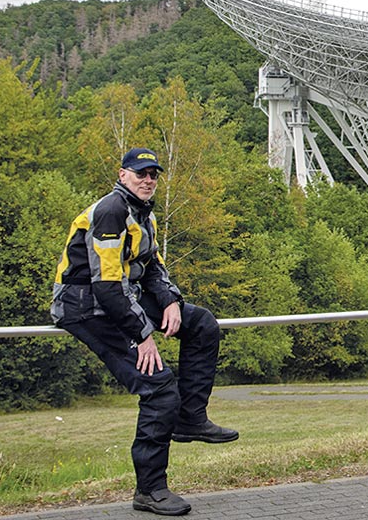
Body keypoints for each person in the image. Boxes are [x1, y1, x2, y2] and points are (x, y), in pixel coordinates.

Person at [51, 147, 238, 516]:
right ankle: (150, 491)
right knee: (159, 387)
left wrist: (171, 300)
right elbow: (106, 284)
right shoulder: (110, 212)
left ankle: (190, 419)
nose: (149, 180)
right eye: (141, 173)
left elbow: (152, 266)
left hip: (119, 298)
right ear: (123, 175)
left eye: (154, 174)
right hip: (85, 306)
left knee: (201, 323)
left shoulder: (144, 215)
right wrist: (142, 335)